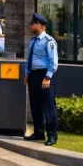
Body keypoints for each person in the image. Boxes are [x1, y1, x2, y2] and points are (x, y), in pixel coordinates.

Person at [24, 12, 59, 146]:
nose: (30, 27)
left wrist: (48, 77)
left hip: (44, 75)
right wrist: (27, 74)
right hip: (33, 76)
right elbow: (29, 59)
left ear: (39, 25)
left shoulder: (49, 42)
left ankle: (52, 136)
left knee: (48, 107)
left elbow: (53, 61)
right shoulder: (33, 41)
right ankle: (38, 132)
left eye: (32, 24)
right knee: (35, 105)